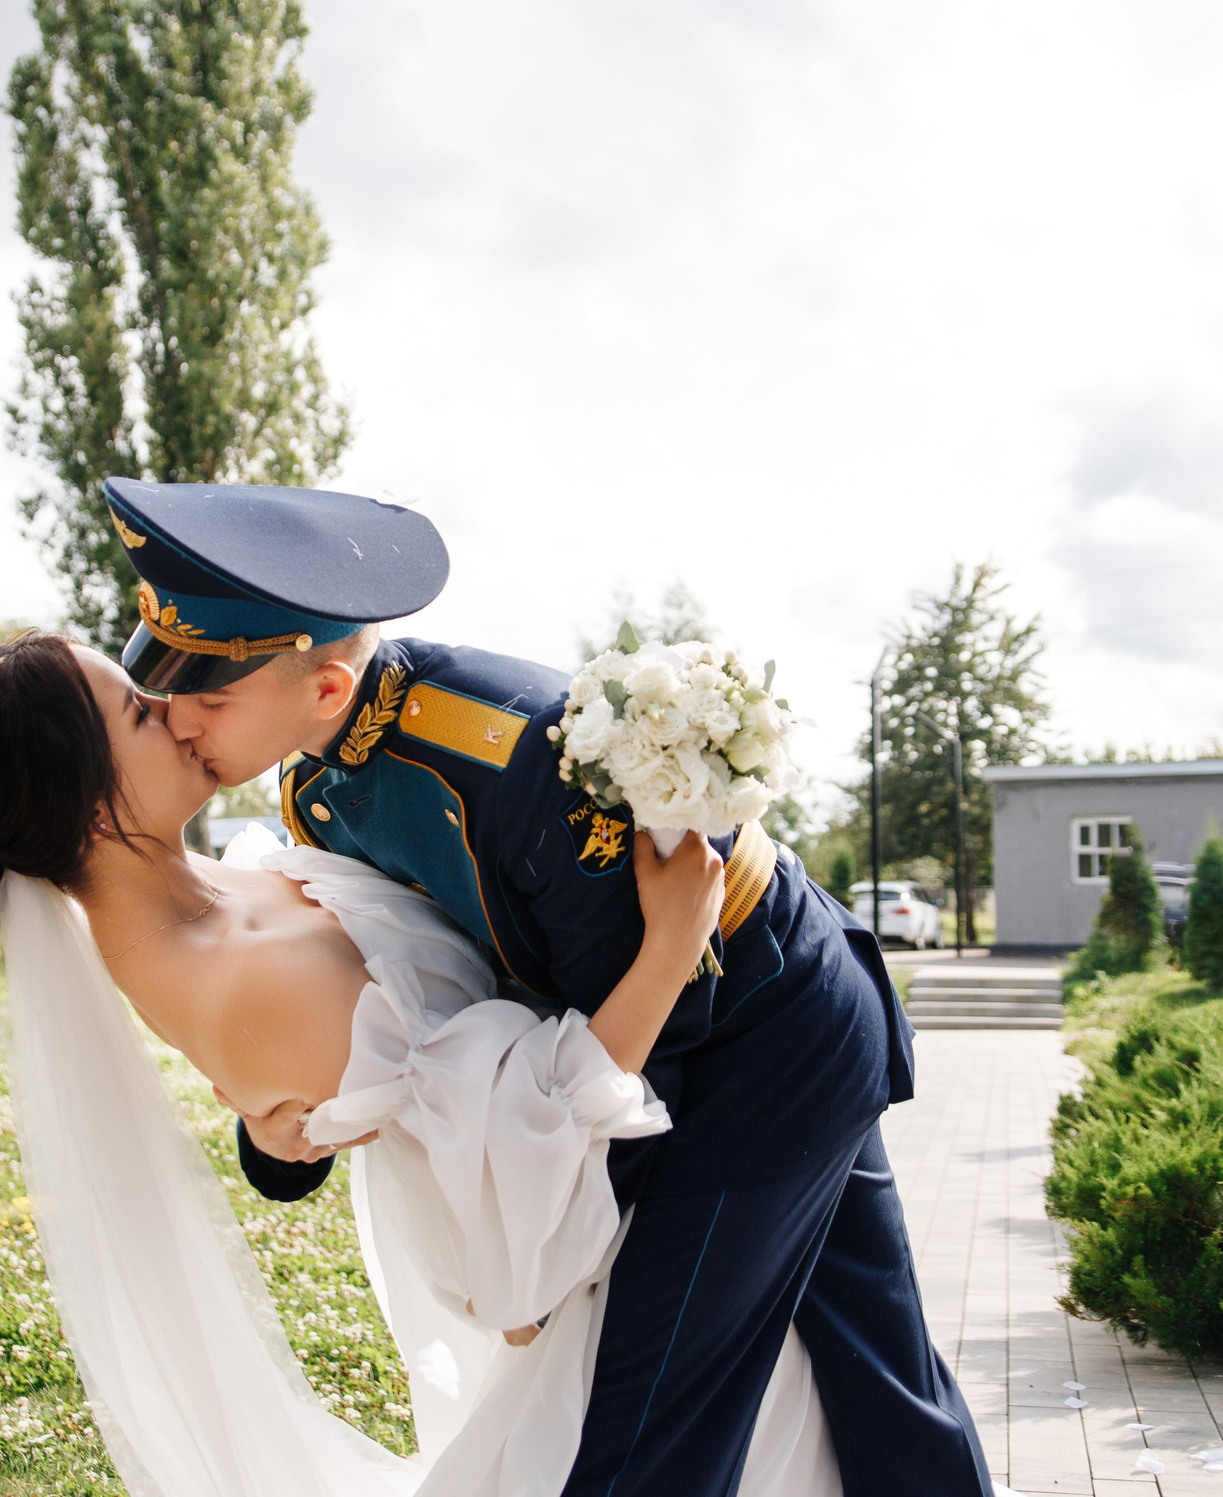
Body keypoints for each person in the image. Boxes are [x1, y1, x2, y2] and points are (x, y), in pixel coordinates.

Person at [105, 476, 988, 1497]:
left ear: (324, 691)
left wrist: (533, 1252)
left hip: (760, 1033)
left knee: (649, 1421)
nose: (176, 721)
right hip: (716, 1028)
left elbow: (657, 1019)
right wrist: (281, 1135)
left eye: (209, 698)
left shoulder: (520, 752)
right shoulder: (313, 786)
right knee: (883, 1377)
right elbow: (422, 981)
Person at [0, 630, 842, 1497]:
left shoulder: (216, 890)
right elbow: (532, 1130)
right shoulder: (236, 984)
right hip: (611, 1249)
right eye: (142, 711)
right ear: (85, 801)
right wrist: (670, 948)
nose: (180, 706)